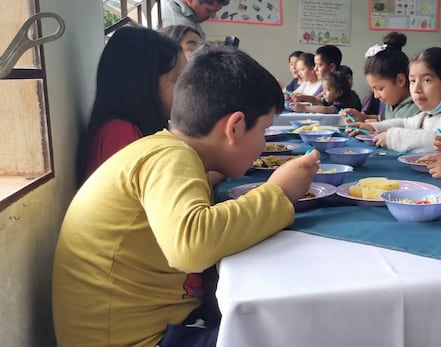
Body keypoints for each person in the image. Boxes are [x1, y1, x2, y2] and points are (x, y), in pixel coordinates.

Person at [52, 45, 321, 346]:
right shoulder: (170, 158)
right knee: (295, 330)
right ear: (234, 127)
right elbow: (192, 245)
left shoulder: (164, 149)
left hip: (151, 326)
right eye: (265, 130)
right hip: (140, 340)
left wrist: (219, 173)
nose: (263, 144)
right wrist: (279, 193)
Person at [77, 26, 185, 184]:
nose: (186, 89)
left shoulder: (133, 130)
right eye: (177, 80)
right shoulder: (120, 133)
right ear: (144, 83)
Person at [345, 47, 441, 153]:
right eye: (413, 80)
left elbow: (438, 142)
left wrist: (392, 138)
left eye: (426, 80)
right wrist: (373, 127)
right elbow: (405, 123)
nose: (416, 89)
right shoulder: (430, 114)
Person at [342, 32, 420, 123]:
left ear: (400, 80)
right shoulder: (392, 102)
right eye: (373, 90)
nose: (376, 95)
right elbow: (381, 119)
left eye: (380, 88)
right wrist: (362, 118)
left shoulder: (417, 109)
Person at [292, 71, 361, 113]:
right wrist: (302, 97)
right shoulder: (333, 98)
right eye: (323, 89)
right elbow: (316, 99)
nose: (323, 93)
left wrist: (305, 108)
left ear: (339, 92)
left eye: (327, 90)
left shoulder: (345, 102)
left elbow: (326, 109)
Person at [156, 0, 228, 40]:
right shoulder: (178, 23)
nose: (213, 16)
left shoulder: (191, 15)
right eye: (208, 10)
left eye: (216, 11)